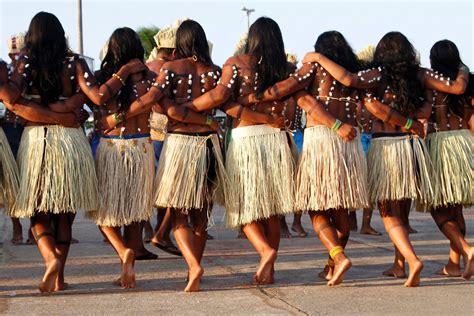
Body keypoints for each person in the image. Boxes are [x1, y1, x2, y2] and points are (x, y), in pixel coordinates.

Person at [181, 18, 356, 286]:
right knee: (274, 210)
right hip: (277, 139)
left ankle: (265, 251)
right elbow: (300, 102)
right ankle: (270, 270)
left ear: (253, 38)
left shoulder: (237, 63)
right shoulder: (287, 69)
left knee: (244, 207)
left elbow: (221, 99)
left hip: (246, 139)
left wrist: (187, 107)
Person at [102, 19, 230, 292]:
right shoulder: (215, 72)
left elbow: (154, 102)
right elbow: (225, 101)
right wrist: (206, 121)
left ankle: (193, 267)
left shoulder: (171, 69)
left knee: (180, 215)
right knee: (201, 213)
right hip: (208, 145)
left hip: (180, 145)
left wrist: (120, 116)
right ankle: (193, 267)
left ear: (180, 44)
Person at [238, 30, 369, 285]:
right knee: (342, 206)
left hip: (321, 139)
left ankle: (338, 257)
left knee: (317, 208)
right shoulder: (358, 73)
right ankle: (331, 265)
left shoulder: (312, 69)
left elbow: (289, 93)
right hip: (350, 142)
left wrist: (254, 97)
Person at [0, 12, 105, 293]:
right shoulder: (76, 63)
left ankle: (50, 260)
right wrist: (66, 109)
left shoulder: (24, 63)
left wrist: (40, 112)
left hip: (36, 142)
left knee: (38, 210)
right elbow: (91, 97)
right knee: (65, 211)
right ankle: (59, 277)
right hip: (70, 141)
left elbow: (12, 99)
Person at [425, 40, 473, 279]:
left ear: (434, 59)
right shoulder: (467, 81)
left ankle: (465, 250)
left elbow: (423, 113)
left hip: (441, 144)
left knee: (438, 208)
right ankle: (454, 264)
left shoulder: (431, 81)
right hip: (465, 144)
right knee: (457, 209)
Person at [2, 32, 28, 245]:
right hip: (9, 129)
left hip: (30, 127)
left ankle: (37, 228)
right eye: (14, 54)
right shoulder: (5, 71)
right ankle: (16, 223)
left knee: (34, 175)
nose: (16, 57)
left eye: (20, 53)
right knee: (11, 178)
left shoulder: (35, 70)